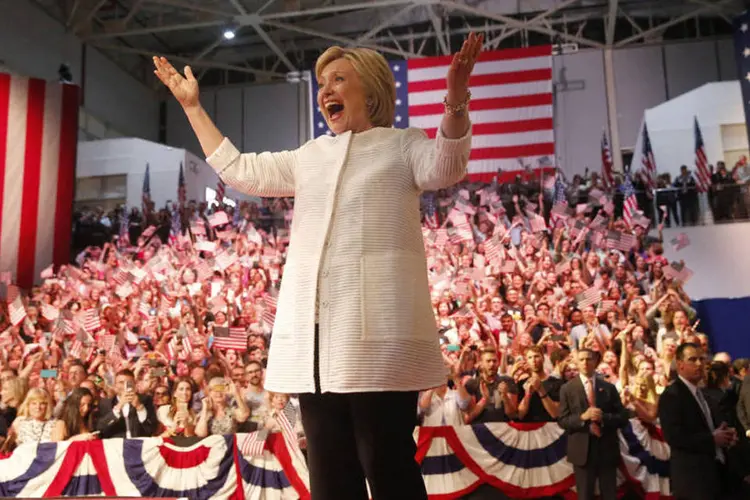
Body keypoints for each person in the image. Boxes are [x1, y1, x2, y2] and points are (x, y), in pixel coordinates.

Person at [154, 29, 483, 500]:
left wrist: (455, 93)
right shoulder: (310, 156)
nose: (325, 90)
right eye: (322, 82)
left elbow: (446, 165)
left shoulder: (403, 145)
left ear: (369, 90)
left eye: (338, 79)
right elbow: (242, 171)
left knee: (386, 463)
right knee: (329, 472)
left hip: (377, 340)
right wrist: (192, 108)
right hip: (314, 344)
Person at [658, 342, 737, 500]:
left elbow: (707, 427)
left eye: (702, 359)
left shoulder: (703, 394)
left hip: (715, 474)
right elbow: (674, 437)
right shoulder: (672, 395)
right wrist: (712, 439)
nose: (699, 364)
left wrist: (726, 435)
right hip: (693, 479)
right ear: (680, 364)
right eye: (692, 359)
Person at [558, 348, 629, 500]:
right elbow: (563, 420)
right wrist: (582, 417)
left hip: (607, 448)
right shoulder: (567, 389)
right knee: (584, 495)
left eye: (589, 359)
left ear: (595, 361)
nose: (585, 362)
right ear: (576, 362)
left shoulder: (608, 387)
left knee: (610, 494)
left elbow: (623, 417)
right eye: (581, 359)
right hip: (582, 451)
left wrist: (605, 417)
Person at [96, 369, 157, 439]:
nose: (125, 386)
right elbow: (99, 428)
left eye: (129, 383)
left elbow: (152, 428)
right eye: (121, 382)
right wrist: (118, 407)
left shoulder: (146, 400)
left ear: (135, 384)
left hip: (140, 444)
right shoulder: (105, 403)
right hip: (115, 446)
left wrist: (140, 407)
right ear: (115, 385)